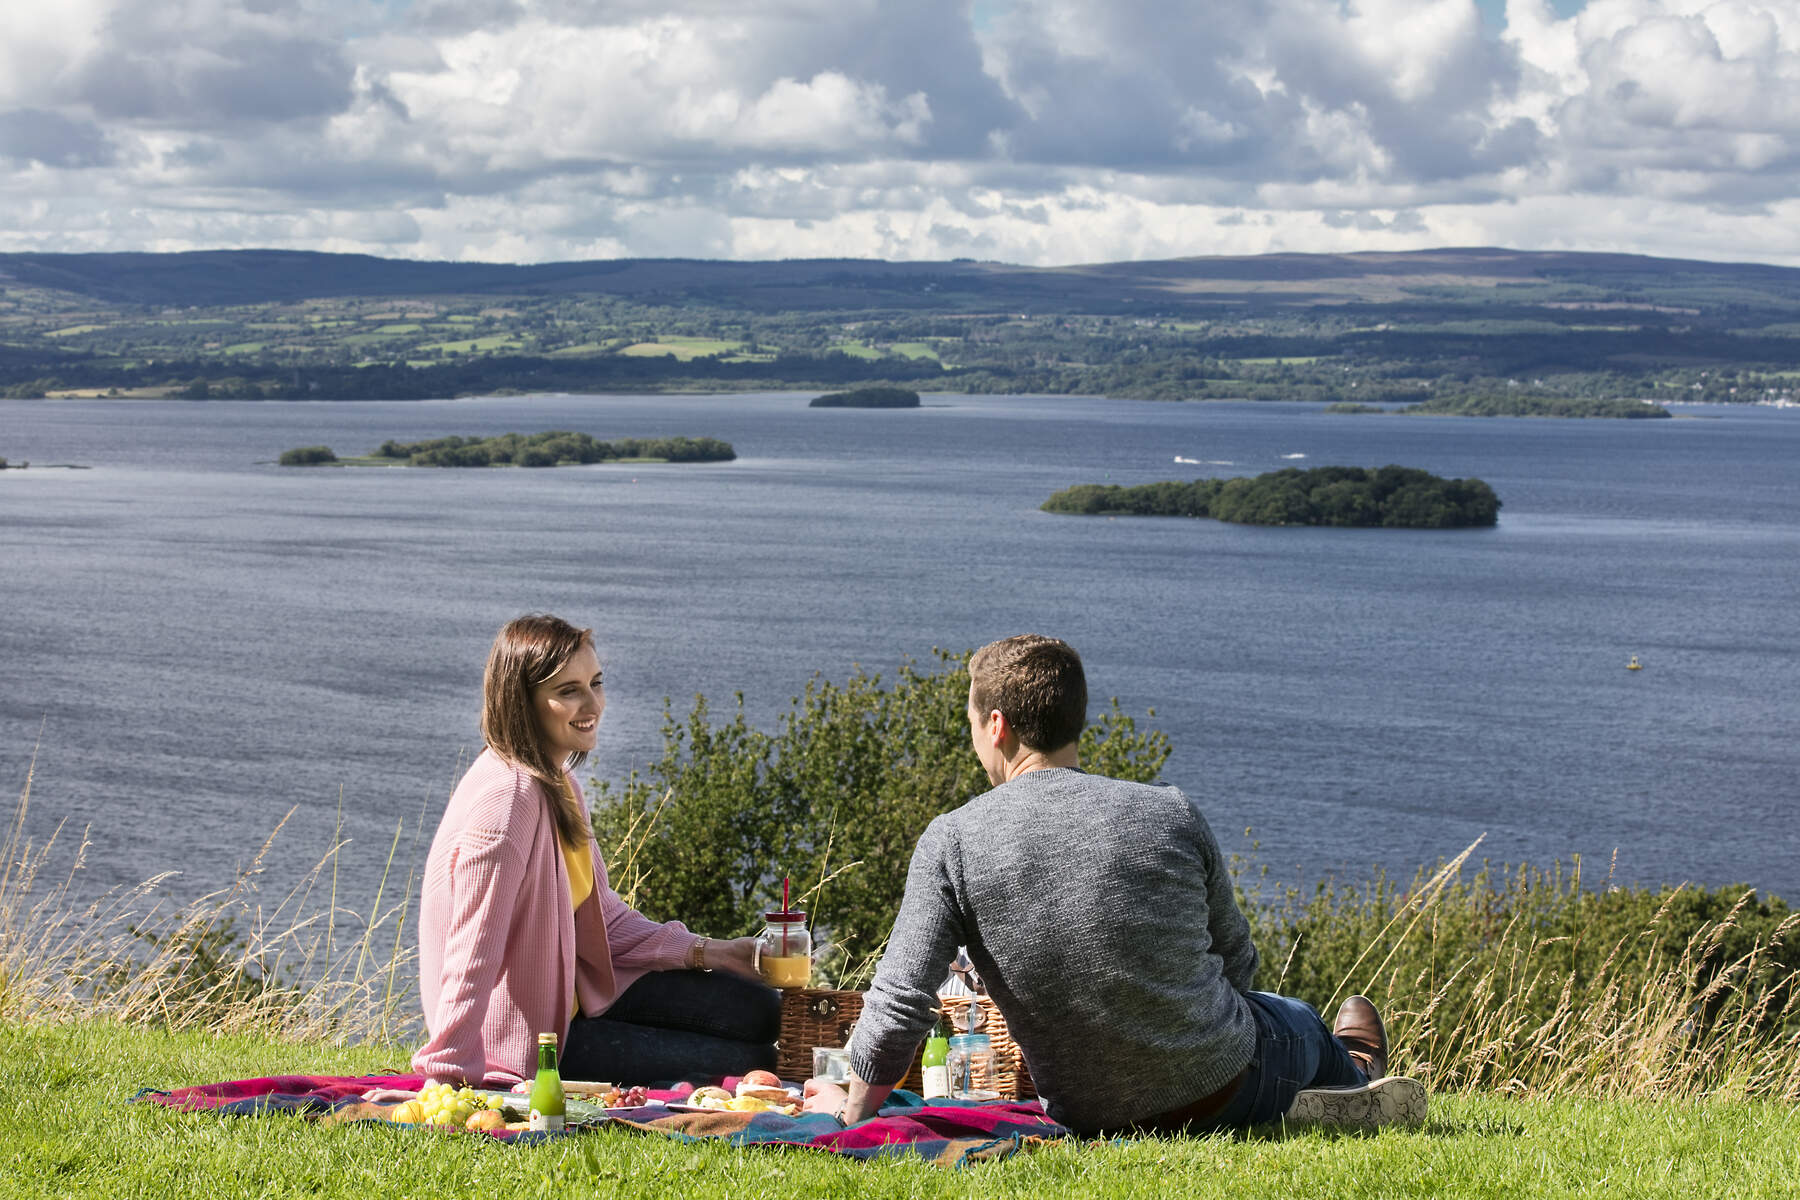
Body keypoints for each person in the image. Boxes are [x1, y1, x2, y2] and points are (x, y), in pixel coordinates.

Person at [802, 634, 1425, 1135]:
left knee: (1286, 1021)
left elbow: (900, 1000)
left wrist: (850, 1113)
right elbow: (1237, 960)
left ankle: (1342, 1077)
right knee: (1296, 1020)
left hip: (1089, 1114)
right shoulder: (1169, 810)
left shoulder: (952, 841)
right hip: (1225, 1087)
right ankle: (1357, 1072)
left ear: (997, 725)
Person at [409, 613, 780, 1088]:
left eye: (596, 683)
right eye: (568, 691)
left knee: (764, 1012)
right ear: (522, 702)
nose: (592, 704)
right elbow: (472, 951)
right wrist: (449, 1072)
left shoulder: (557, 782)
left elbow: (601, 919)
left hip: (582, 998)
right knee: (756, 1062)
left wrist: (712, 952)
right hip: (536, 1045)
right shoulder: (508, 799)